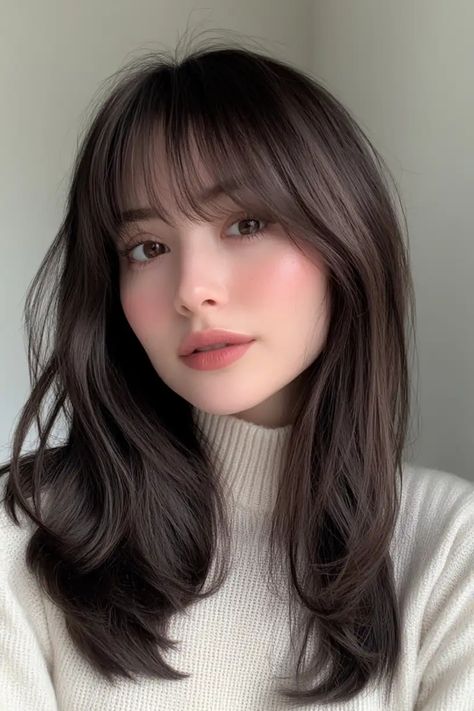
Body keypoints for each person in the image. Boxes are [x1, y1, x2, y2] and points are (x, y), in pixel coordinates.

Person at [1, 33, 473, 711]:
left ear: (348, 238)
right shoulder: (24, 542)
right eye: (148, 246)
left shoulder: (449, 551)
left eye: (247, 222)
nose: (192, 289)